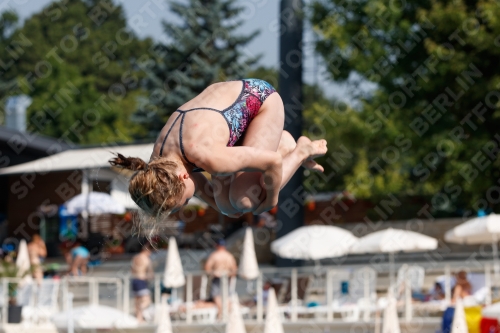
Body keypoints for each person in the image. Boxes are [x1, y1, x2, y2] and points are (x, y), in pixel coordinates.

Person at [109, 79, 328, 220]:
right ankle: (278, 142)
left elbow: (273, 163)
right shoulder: (158, 166)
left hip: (261, 101)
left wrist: (271, 200)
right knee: (227, 208)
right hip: (227, 115)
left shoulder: (208, 157)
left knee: (245, 200)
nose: (187, 203)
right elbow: (203, 191)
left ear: (182, 177)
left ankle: (299, 148)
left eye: (184, 201)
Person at [204, 239, 237, 321]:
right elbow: (234, 269)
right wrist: (230, 275)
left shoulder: (214, 255)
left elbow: (207, 267)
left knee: (216, 296)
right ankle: (228, 314)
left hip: (217, 277)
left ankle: (221, 313)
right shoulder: (229, 256)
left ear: (217, 246)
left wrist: (212, 273)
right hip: (227, 277)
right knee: (227, 296)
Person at [131, 242, 154, 322]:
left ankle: (139, 318)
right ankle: (140, 314)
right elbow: (150, 273)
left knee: (137, 300)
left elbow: (132, 270)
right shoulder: (146, 259)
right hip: (141, 280)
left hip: (134, 280)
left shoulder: (135, 257)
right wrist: (149, 277)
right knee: (147, 300)